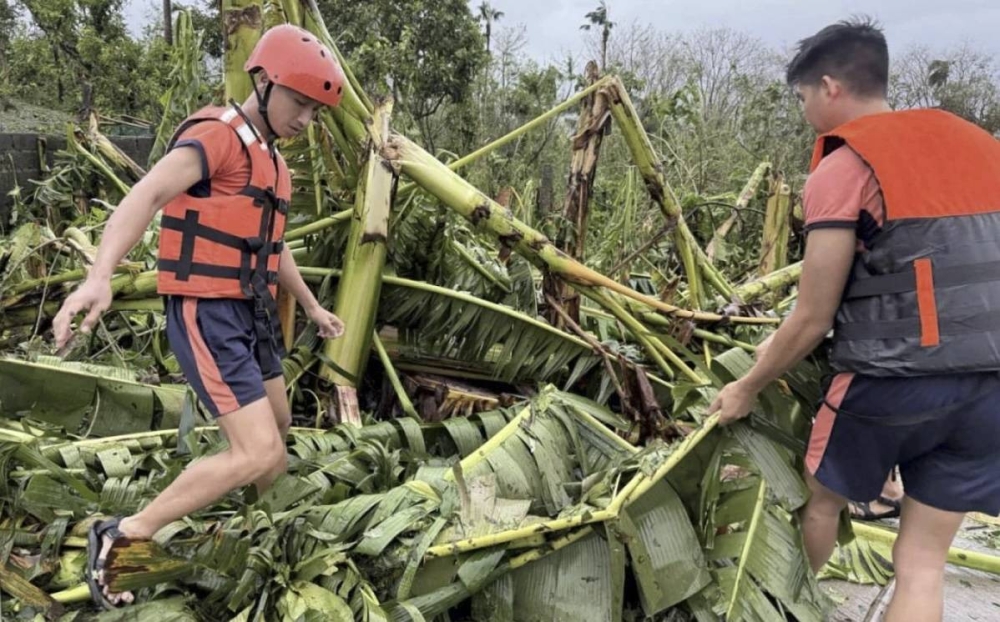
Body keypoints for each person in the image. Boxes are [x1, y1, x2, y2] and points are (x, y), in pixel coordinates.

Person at [709, 17, 1000, 622]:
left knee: (820, 502)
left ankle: (780, 610)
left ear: (829, 86)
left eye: (802, 99)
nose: (805, 112)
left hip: (887, 381)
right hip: (989, 387)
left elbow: (813, 315)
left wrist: (745, 387)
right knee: (921, 559)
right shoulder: (981, 147)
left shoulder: (845, 167)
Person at [51, 24, 347, 609]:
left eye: (315, 111)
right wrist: (100, 274)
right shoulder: (217, 137)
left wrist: (311, 305)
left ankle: (255, 531)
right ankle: (125, 532)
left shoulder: (274, 164)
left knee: (279, 431)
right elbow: (147, 195)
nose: (305, 120)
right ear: (263, 82)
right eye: (299, 102)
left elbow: (271, 242)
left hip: (252, 310)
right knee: (259, 451)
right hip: (207, 309)